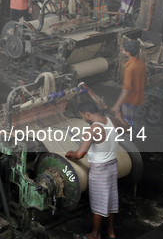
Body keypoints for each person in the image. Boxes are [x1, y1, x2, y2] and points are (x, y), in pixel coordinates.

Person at [65, 101, 130, 239]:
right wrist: (120, 118)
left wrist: (69, 154)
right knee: (110, 200)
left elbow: (80, 154)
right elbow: (128, 130)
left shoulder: (93, 130)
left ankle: (95, 234)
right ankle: (111, 231)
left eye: (83, 116)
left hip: (100, 171)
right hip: (112, 167)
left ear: (88, 114)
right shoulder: (112, 121)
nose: (83, 119)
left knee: (98, 203)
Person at [110, 40, 146, 135]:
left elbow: (126, 90)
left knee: (127, 125)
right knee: (134, 121)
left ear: (128, 53)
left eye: (123, 50)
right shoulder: (141, 64)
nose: (122, 51)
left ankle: (129, 145)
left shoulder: (129, 69)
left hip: (129, 101)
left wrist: (116, 105)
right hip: (139, 99)